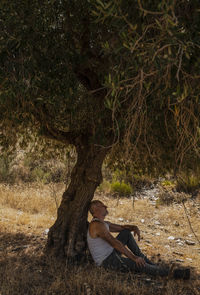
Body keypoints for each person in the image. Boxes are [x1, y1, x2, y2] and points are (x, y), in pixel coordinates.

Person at [87, 200, 190, 279]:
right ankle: (176, 274)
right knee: (138, 264)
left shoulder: (104, 223)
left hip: (111, 254)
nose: (106, 206)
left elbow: (122, 228)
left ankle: (148, 263)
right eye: (102, 205)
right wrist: (133, 257)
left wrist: (133, 227)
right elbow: (114, 243)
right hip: (107, 261)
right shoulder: (96, 225)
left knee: (126, 233)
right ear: (95, 209)